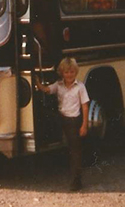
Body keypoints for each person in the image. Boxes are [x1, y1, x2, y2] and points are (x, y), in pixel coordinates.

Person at [35, 57, 90, 191]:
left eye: (72, 72)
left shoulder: (80, 87)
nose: (69, 75)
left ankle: (76, 181)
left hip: (74, 121)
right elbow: (47, 90)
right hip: (62, 119)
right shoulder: (58, 85)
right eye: (66, 72)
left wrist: (84, 125)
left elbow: (85, 106)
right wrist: (36, 82)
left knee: (74, 150)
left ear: (75, 72)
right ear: (62, 73)